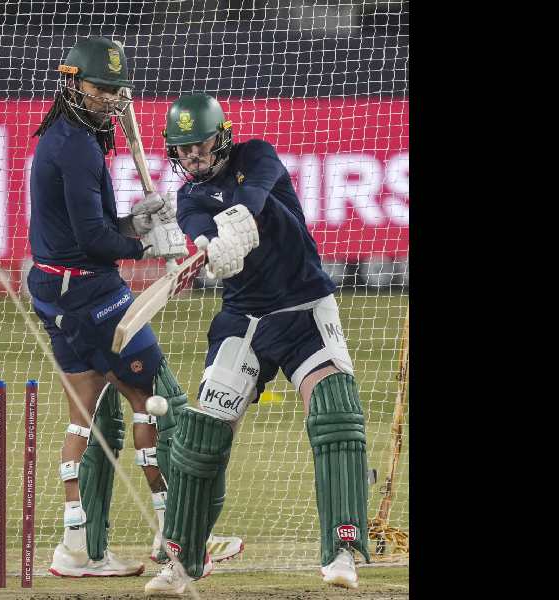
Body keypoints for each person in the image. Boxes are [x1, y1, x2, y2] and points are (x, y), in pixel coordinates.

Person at [27, 38, 243, 578]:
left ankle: (78, 548)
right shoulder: (74, 146)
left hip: (56, 289)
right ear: (73, 82)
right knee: (162, 401)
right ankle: (185, 536)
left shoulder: (70, 138)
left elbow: (94, 231)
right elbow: (94, 241)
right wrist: (148, 243)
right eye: (99, 90)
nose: (107, 101)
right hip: (90, 293)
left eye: (114, 92)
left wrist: (136, 222)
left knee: (89, 414)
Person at [144, 94, 372, 596]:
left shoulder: (257, 155)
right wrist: (208, 248)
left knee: (336, 415)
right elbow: (202, 232)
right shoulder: (189, 199)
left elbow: (252, 202)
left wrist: (234, 229)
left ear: (221, 136)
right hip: (243, 319)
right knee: (202, 437)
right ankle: (182, 559)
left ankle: (340, 549)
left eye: (200, 147)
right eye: (182, 151)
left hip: (303, 309)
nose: (192, 159)